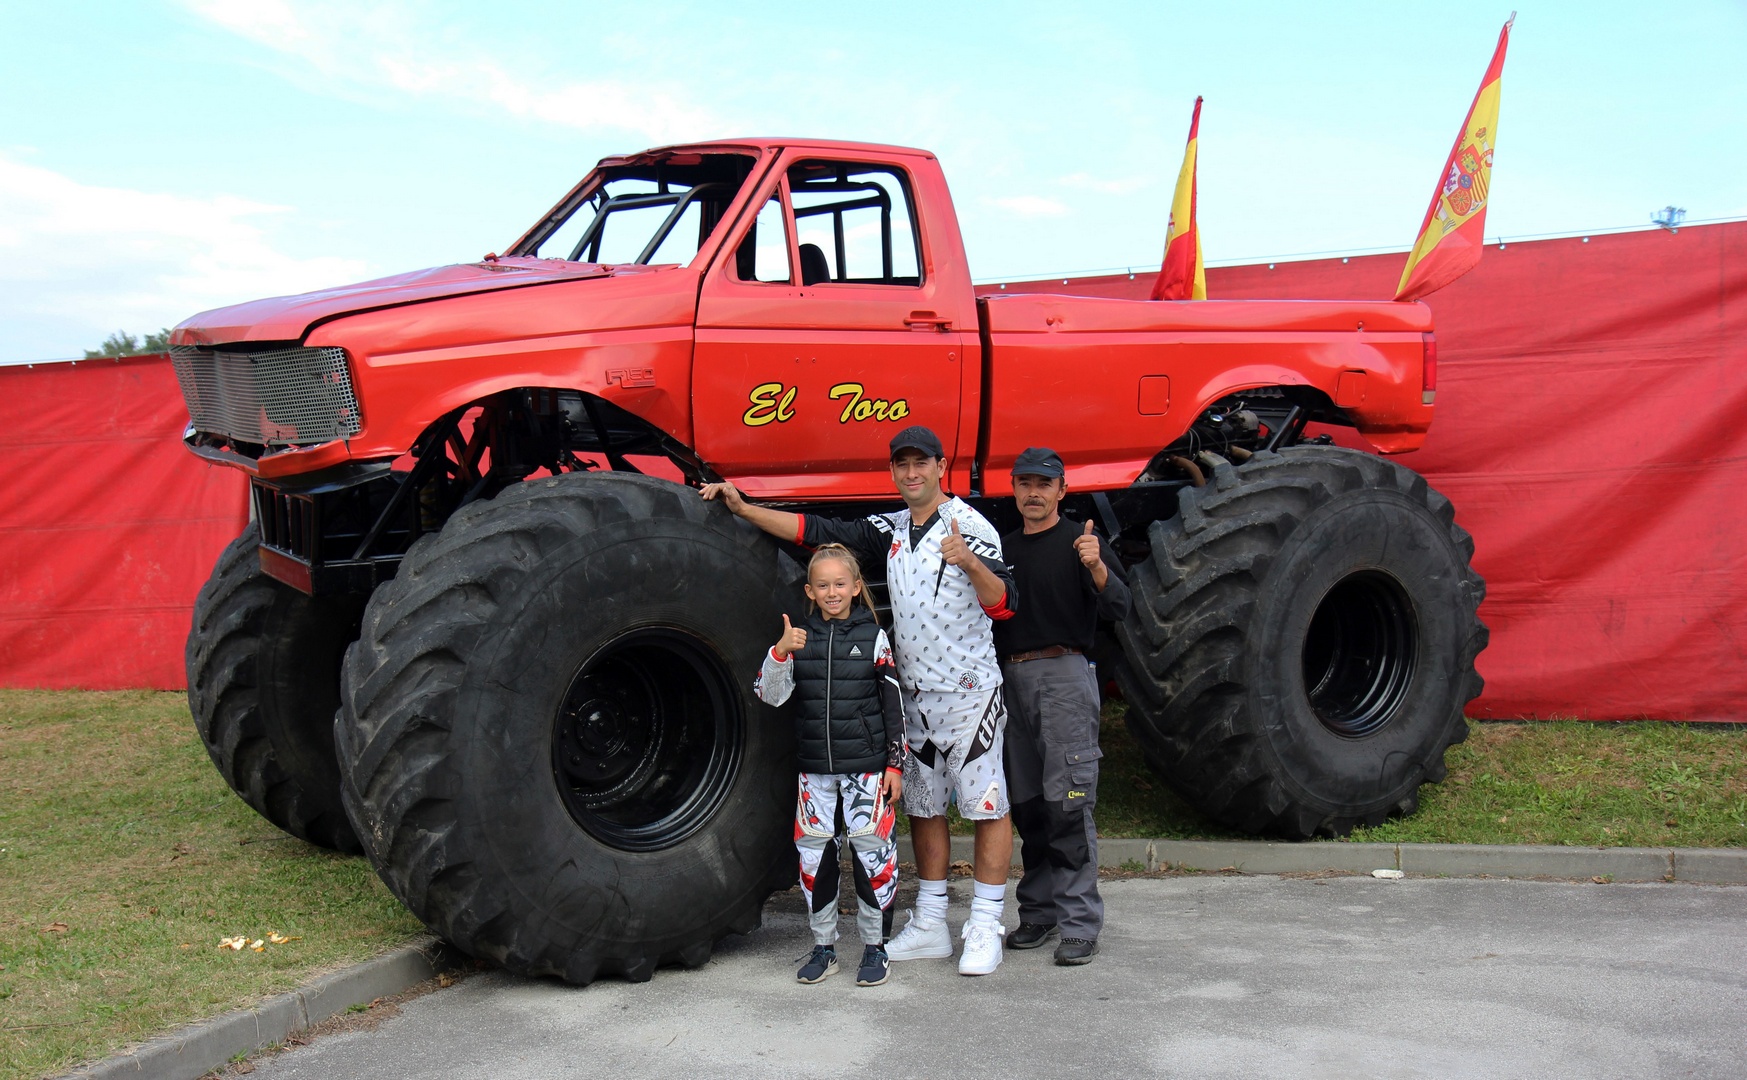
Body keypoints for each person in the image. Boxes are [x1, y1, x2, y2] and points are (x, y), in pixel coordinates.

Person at [703, 425, 1019, 976]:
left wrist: (969, 562)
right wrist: (746, 508)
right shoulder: (891, 530)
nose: (912, 473)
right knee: (922, 808)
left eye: (922, 463)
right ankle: (930, 921)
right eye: (902, 464)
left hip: (969, 695)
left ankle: (987, 923)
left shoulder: (971, 526)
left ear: (942, 466)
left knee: (986, 806)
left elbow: (1007, 604)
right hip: (912, 695)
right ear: (894, 471)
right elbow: (818, 530)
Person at [995, 447, 1131, 965]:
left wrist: (1096, 568)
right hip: (1012, 679)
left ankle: (1079, 925)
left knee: (1068, 802)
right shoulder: (1003, 549)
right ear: (1014, 487)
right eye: (1025, 482)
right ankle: (1039, 913)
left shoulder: (1083, 543)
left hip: (1065, 678)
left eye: (1044, 484)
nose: (1034, 492)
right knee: (1029, 805)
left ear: (1061, 490)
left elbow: (1122, 608)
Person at [754, 544, 908, 987]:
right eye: (823, 585)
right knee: (815, 858)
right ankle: (824, 947)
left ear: (857, 587)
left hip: (867, 770)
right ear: (810, 590)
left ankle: (876, 950)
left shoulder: (874, 637)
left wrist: (895, 766)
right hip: (814, 771)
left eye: (841, 583)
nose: (832, 591)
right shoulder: (798, 637)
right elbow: (770, 695)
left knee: (872, 856)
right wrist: (780, 652)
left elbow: (893, 705)